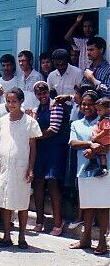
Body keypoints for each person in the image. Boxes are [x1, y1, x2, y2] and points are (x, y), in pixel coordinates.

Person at [0, 87, 42, 249]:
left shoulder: (30, 122)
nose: (11, 104)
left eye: (14, 101)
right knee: (5, 201)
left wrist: (30, 168)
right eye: (8, 101)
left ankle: (22, 236)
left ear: (21, 101)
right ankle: (6, 236)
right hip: (4, 166)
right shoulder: (2, 121)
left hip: (21, 167)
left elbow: (33, 148)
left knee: (22, 203)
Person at [69, 91, 109, 255]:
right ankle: (85, 239)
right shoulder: (76, 124)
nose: (86, 107)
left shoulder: (104, 122)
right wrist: (90, 144)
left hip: (103, 170)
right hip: (84, 169)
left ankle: (102, 241)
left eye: (90, 104)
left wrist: (96, 150)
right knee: (88, 206)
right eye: (83, 104)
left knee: (103, 206)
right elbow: (73, 142)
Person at [32, 81, 69, 236]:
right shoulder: (37, 110)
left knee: (53, 182)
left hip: (55, 149)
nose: (42, 96)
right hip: (40, 150)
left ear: (49, 92)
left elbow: (53, 129)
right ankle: (39, 221)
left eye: (44, 93)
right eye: (39, 94)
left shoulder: (56, 106)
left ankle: (57, 222)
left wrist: (34, 136)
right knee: (39, 182)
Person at [87, 97, 109, 177]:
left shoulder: (106, 120)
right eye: (97, 110)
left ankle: (96, 164)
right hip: (102, 141)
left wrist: (96, 137)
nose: (98, 112)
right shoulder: (101, 119)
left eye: (100, 110)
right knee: (101, 154)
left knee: (93, 150)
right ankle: (102, 167)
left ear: (107, 110)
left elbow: (106, 130)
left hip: (104, 142)